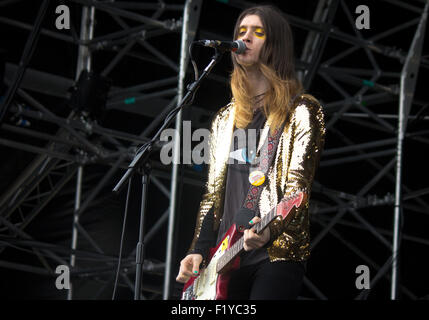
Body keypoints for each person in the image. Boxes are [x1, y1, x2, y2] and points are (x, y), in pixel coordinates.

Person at [176, 5, 325, 300]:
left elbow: (297, 188)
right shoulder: (225, 119)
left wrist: (271, 229)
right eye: (241, 32)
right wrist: (197, 249)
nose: (246, 38)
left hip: (274, 254)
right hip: (224, 257)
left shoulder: (301, 111)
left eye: (257, 32)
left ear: (275, 45)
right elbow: (212, 194)